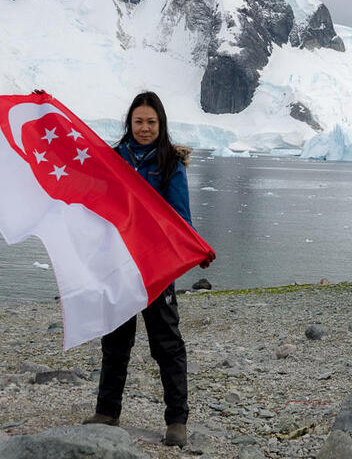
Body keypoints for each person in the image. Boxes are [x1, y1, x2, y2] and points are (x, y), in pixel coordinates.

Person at [84, 91, 211, 447]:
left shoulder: (170, 164)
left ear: (161, 124)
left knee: (166, 343)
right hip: (118, 264)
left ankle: (177, 421)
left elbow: (180, 217)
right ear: (130, 122)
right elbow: (95, 203)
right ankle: (107, 412)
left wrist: (195, 249)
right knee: (115, 340)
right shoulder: (113, 159)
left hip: (154, 267)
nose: (144, 128)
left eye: (151, 122)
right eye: (139, 121)